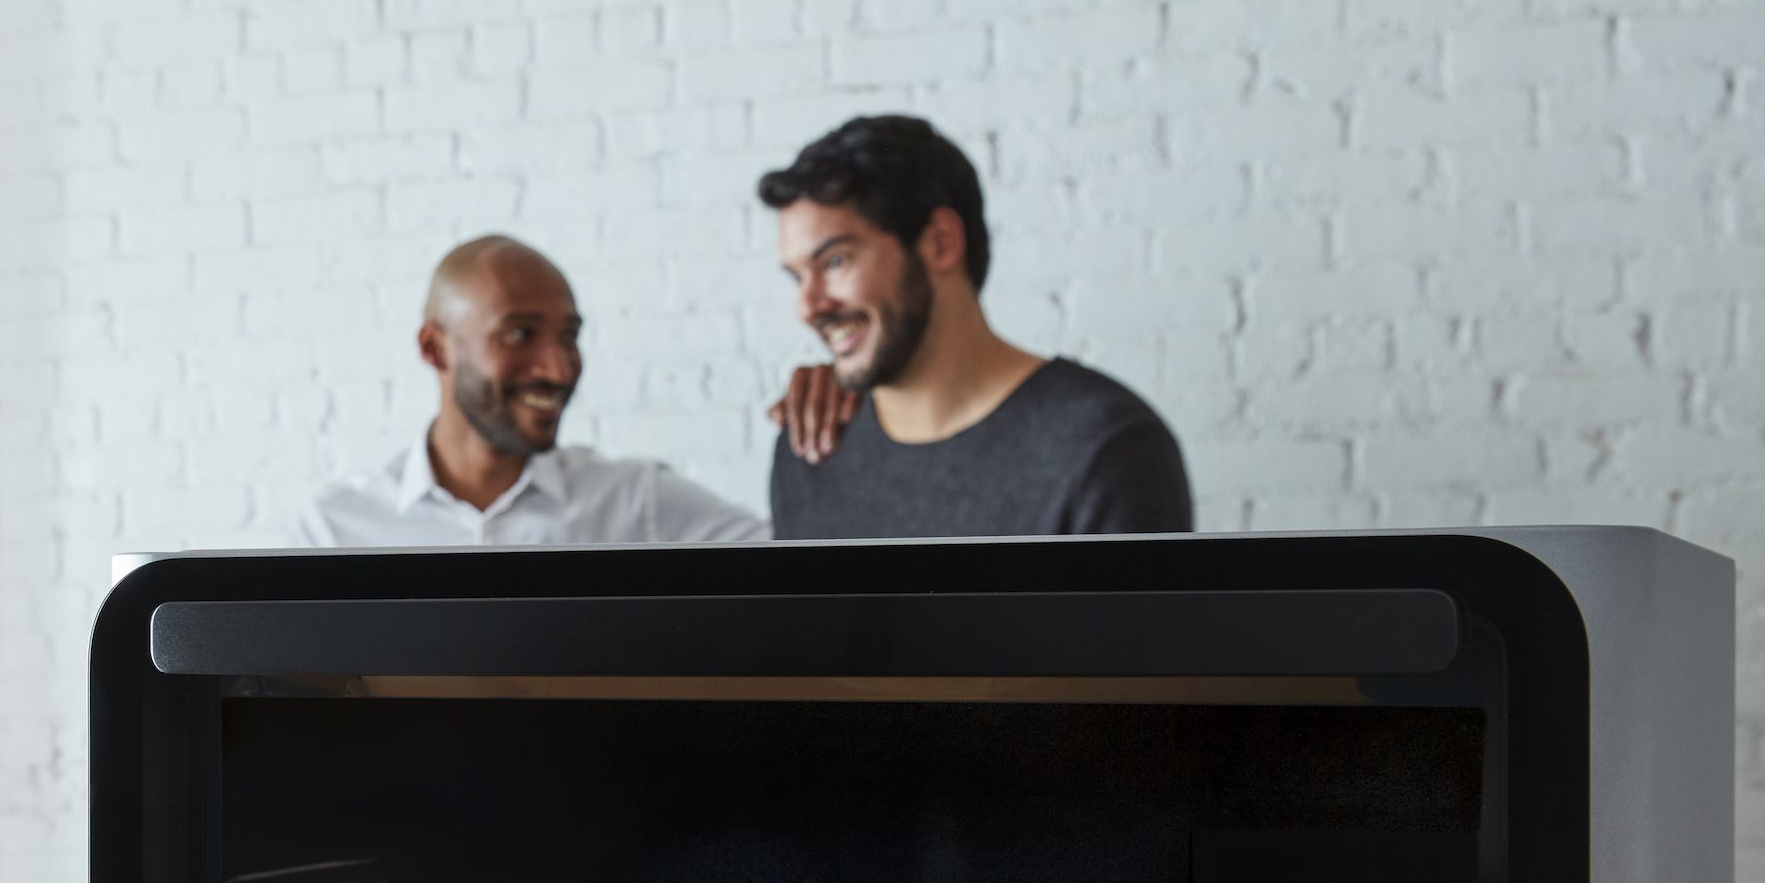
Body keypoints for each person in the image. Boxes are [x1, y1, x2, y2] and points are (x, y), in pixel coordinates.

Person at [756, 116, 1193, 538]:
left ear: (940, 242)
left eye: (835, 261)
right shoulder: (811, 449)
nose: (808, 306)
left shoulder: (1105, 449)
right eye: (797, 277)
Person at [300, 234, 763, 547]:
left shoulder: (635, 502)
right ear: (435, 348)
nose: (559, 369)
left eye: (569, 337)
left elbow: (817, 575)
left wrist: (837, 388)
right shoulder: (334, 532)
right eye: (520, 334)